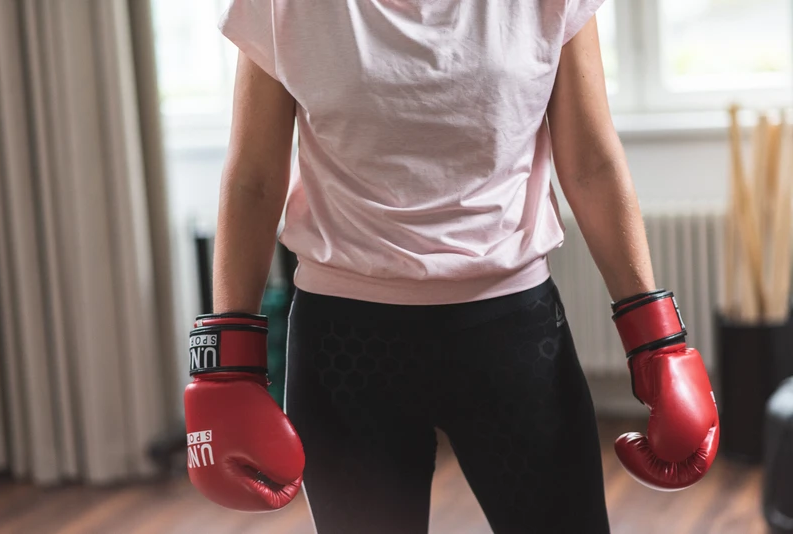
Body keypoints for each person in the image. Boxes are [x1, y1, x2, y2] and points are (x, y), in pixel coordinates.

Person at [183, 1, 720, 533]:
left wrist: (657, 343)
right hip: (346, 346)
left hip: (512, 335)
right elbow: (254, 177)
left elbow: (591, 165)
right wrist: (226, 368)